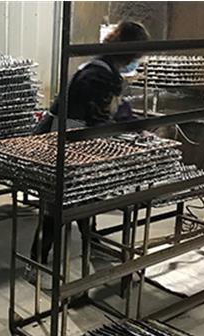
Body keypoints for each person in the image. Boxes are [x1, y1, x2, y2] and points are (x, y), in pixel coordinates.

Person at [27, 21, 150, 287]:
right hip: (67, 142)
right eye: (137, 56)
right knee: (58, 207)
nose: (136, 62)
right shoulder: (98, 75)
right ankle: (36, 261)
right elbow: (99, 117)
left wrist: (135, 126)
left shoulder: (101, 68)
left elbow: (116, 109)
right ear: (129, 52)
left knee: (83, 198)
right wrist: (126, 136)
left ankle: (89, 241)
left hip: (71, 138)